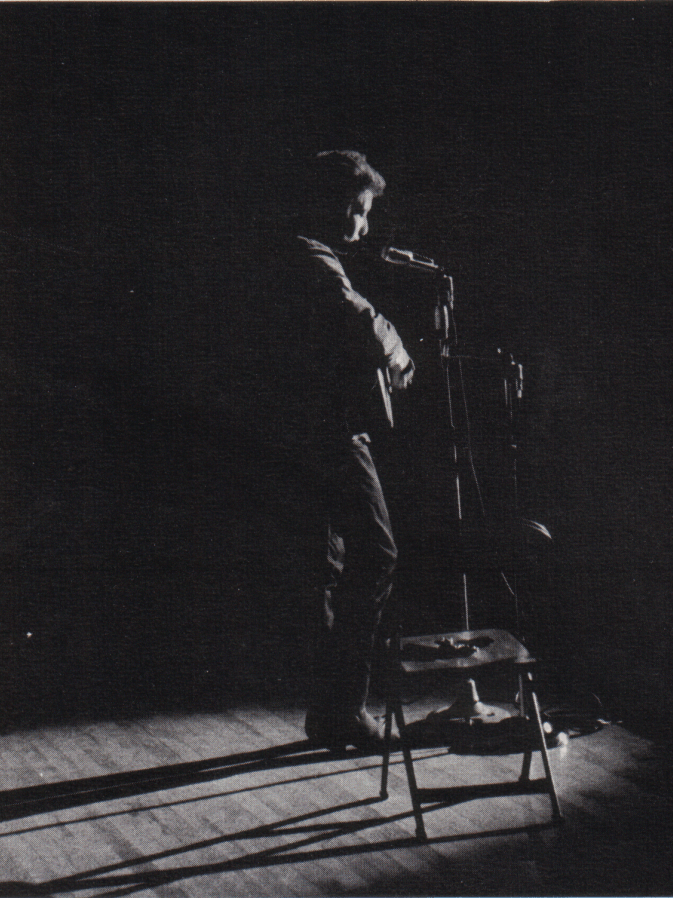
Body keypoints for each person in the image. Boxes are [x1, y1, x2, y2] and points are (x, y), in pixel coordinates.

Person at [281, 150, 414, 749]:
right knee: (378, 556)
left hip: (305, 433)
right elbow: (356, 320)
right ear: (338, 205)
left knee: (327, 571)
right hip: (330, 434)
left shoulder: (307, 256)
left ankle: (328, 712)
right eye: (359, 211)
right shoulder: (309, 256)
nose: (363, 225)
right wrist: (398, 348)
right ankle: (345, 707)